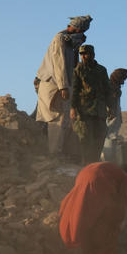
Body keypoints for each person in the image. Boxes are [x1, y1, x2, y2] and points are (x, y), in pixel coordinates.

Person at [59, 162, 127, 254]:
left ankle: (77, 247)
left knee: (81, 215)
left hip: (83, 174)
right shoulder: (126, 179)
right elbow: (120, 208)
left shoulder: (111, 169)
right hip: (99, 181)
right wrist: (118, 222)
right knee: (108, 227)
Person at [36, 15, 92, 160]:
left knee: (65, 121)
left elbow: (71, 64)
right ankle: (54, 155)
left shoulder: (69, 41)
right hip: (54, 85)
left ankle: (59, 153)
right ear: (78, 28)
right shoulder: (60, 39)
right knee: (57, 120)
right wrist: (63, 87)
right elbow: (59, 65)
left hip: (62, 84)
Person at [70, 44, 113, 165]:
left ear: (92, 55)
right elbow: (75, 90)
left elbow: (107, 90)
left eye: (86, 54)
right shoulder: (78, 70)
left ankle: (95, 164)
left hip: (99, 111)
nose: (83, 56)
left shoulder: (101, 70)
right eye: (82, 54)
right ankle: (86, 166)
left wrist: (111, 107)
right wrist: (73, 108)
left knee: (99, 140)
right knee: (85, 140)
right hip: (85, 112)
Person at [102, 68, 127, 163]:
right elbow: (109, 103)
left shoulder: (115, 88)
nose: (123, 83)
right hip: (110, 118)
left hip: (114, 117)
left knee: (112, 138)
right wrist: (111, 112)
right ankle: (107, 161)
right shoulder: (110, 87)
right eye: (122, 79)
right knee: (109, 137)